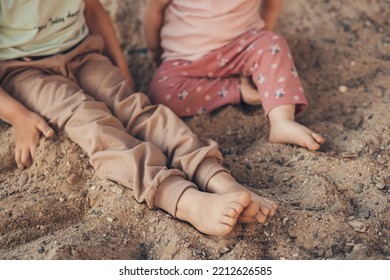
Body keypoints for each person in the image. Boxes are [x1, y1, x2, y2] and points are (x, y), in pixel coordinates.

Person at [0, 0, 277, 237]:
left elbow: (95, 11)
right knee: (92, 122)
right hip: (26, 70)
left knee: (136, 108)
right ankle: (184, 200)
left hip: (83, 53)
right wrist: (18, 115)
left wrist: (122, 69)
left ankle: (217, 178)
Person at [144, 0, 325, 151]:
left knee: (273, 44)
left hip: (240, 49)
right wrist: (154, 50)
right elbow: (154, 14)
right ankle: (237, 89)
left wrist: (263, 36)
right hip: (187, 58)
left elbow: (272, 4)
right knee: (161, 92)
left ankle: (282, 120)